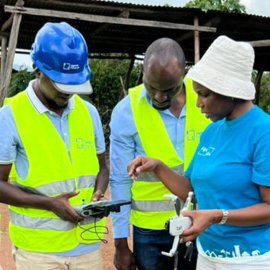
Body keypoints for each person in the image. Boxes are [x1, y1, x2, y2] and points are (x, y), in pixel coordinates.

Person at [128, 35, 270, 270]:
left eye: (204, 94)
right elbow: (192, 189)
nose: (197, 104)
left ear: (230, 92)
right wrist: (158, 167)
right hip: (208, 256)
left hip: (250, 259)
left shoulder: (263, 132)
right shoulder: (212, 132)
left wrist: (217, 216)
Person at [0, 22, 109, 270]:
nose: (68, 92)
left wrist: (98, 196)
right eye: (60, 84)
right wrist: (50, 204)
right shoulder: (10, 117)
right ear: (37, 69)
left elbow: (102, 168)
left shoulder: (88, 113)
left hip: (87, 248)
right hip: (39, 253)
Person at [109, 38, 209, 270]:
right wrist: (120, 243)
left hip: (201, 222)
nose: (160, 97)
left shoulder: (205, 99)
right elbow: (120, 179)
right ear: (143, 71)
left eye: (169, 90)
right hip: (149, 231)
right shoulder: (126, 111)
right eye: (152, 87)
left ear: (184, 74)